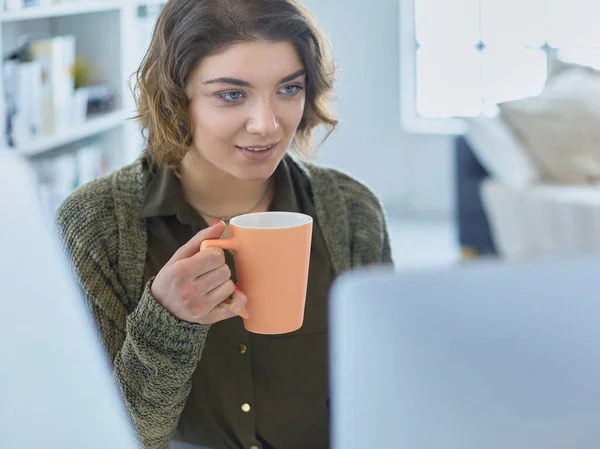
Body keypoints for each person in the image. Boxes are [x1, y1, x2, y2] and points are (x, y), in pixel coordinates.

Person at [57, 0, 393, 448]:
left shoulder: (352, 210)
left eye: (289, 89)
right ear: (177, 98)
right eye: (232, 94)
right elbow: (104, 436)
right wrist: (167, 322)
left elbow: (384, 395)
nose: (267, 124)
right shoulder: (94, 224)